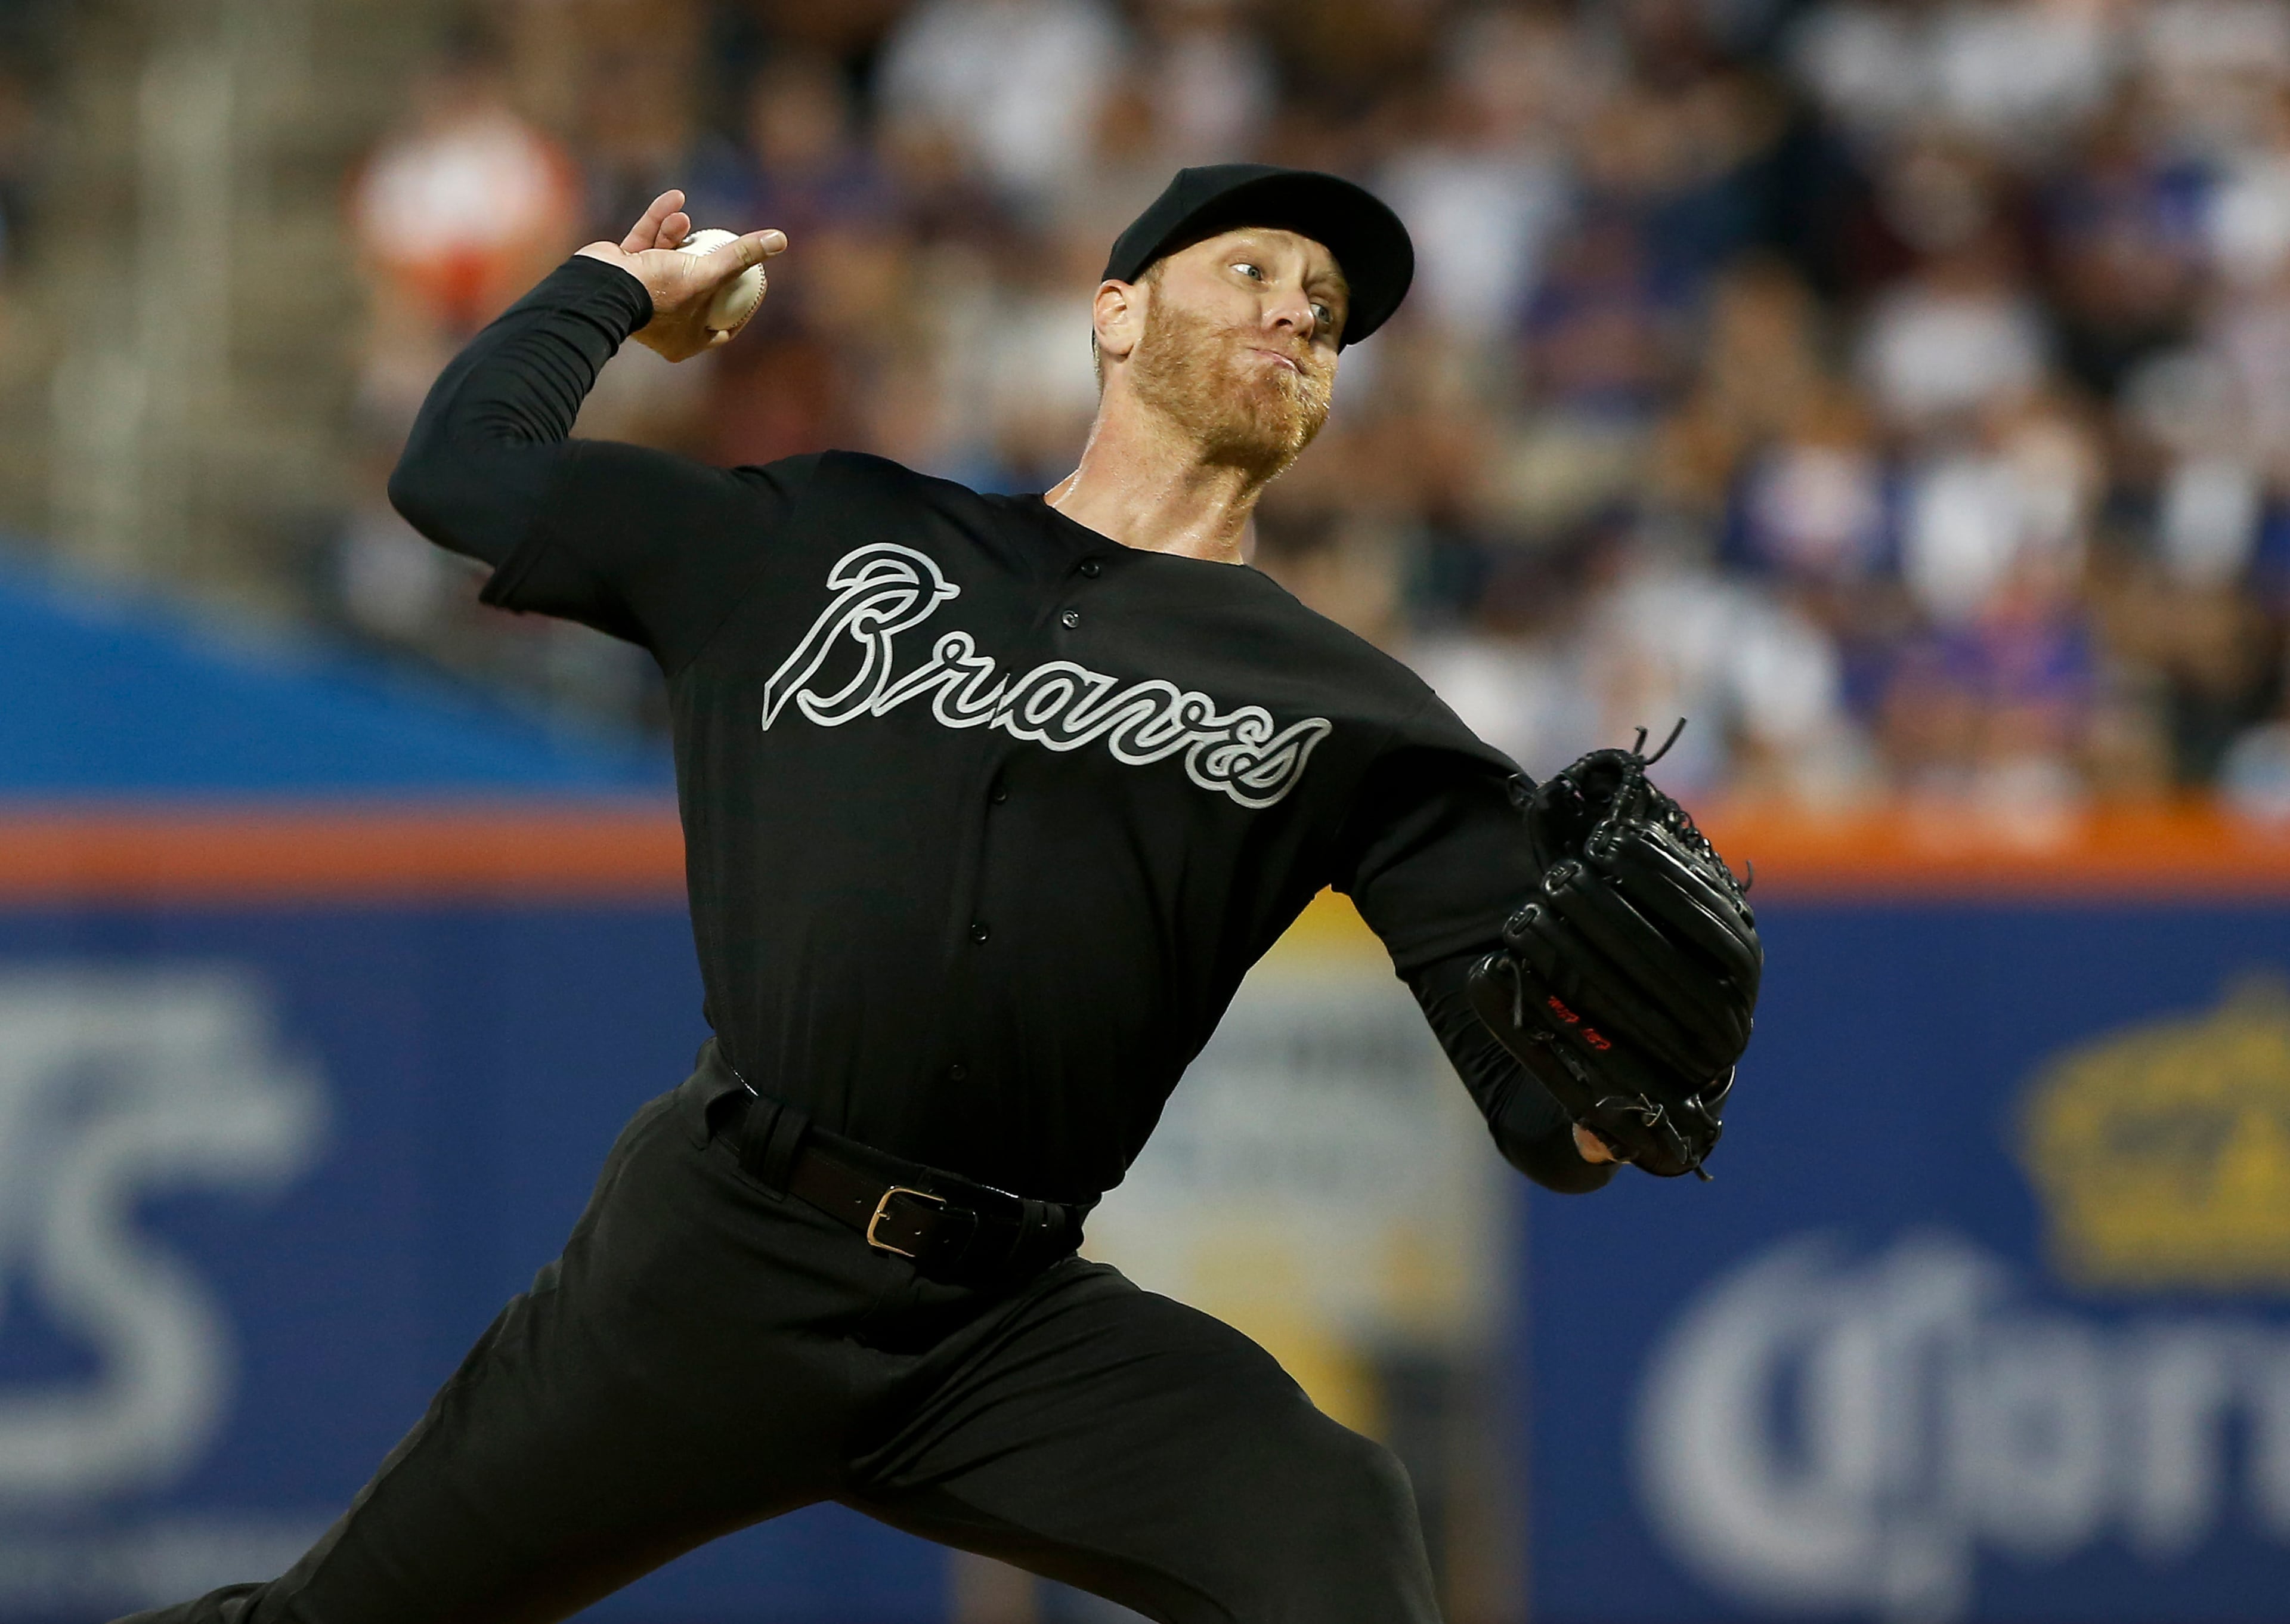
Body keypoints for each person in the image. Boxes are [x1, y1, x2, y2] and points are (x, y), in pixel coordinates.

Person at [123, 163, 1624, 1624]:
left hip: (1006, 1324)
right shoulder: (828, 536)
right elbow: (458, 473)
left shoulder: (1357, 713)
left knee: (1332, 1517)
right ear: (1114, 314)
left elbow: (1549, 1112)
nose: (1299, 311)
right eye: (1253, 271)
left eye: (1329, 304)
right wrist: (606, 295)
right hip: (713, 1265)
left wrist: (1608, 1087)